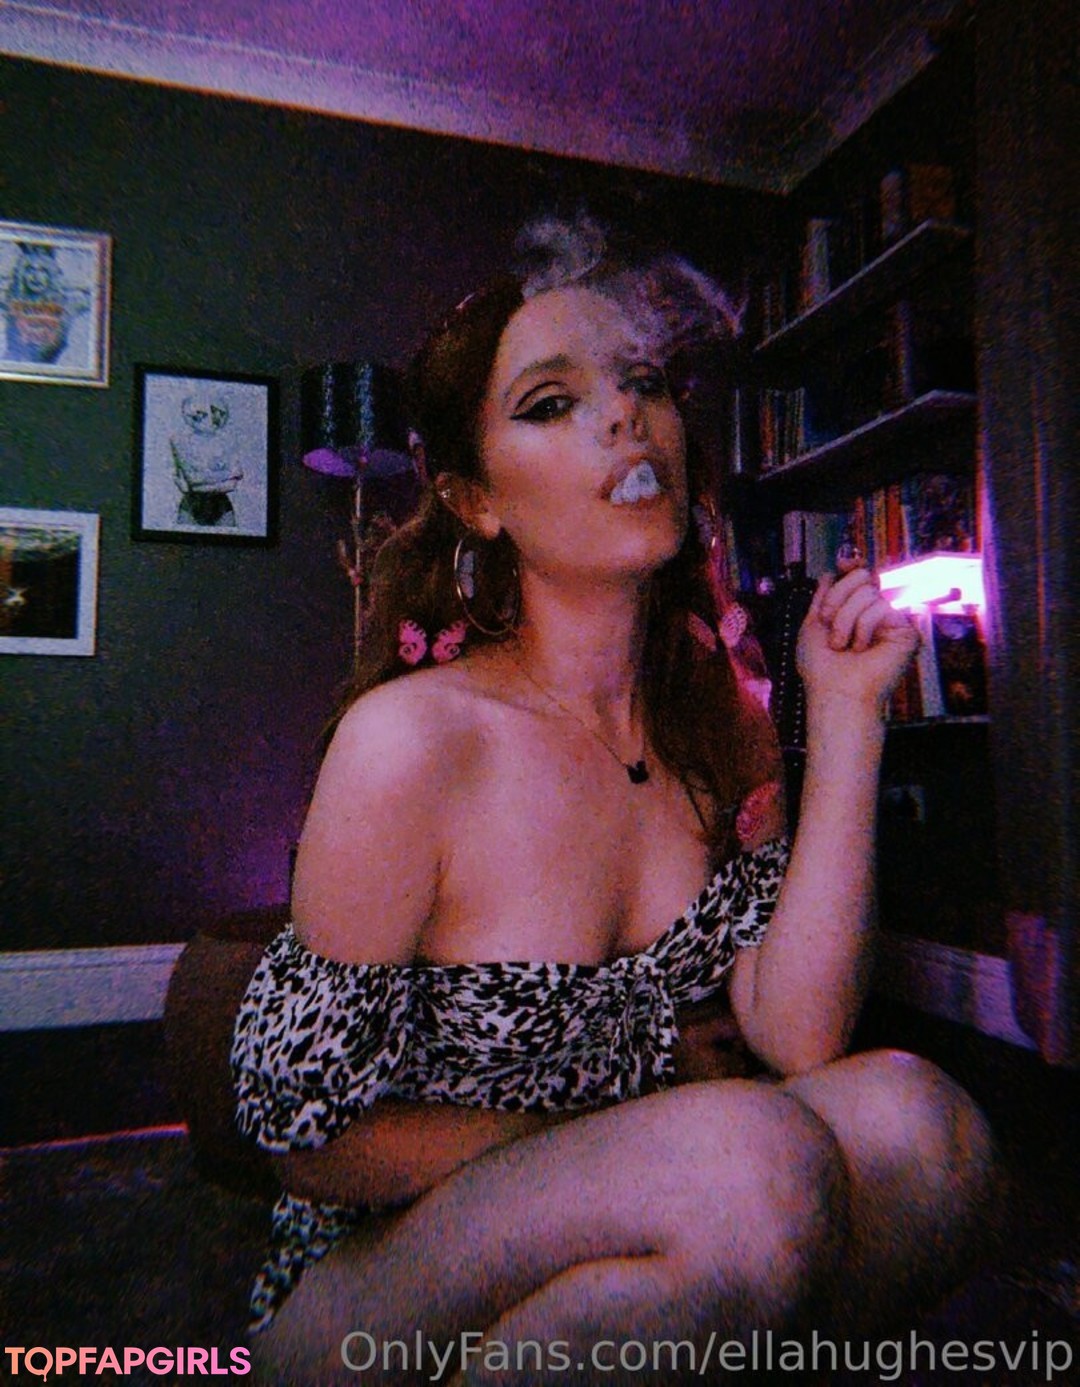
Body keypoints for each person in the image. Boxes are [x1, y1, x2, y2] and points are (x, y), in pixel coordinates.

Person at [231, 220, 998, 1384]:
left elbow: (799, 1036)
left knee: (923, 1130)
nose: (627, 416)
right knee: (748, 1166)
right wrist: (624, 1140)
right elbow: (309, 1143)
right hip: (372, 1278)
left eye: (644, 383)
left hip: (645, 1216)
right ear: (476, 498)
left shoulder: (717, 729)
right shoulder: (412, 742)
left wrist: (847, 719)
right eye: (552, 401)